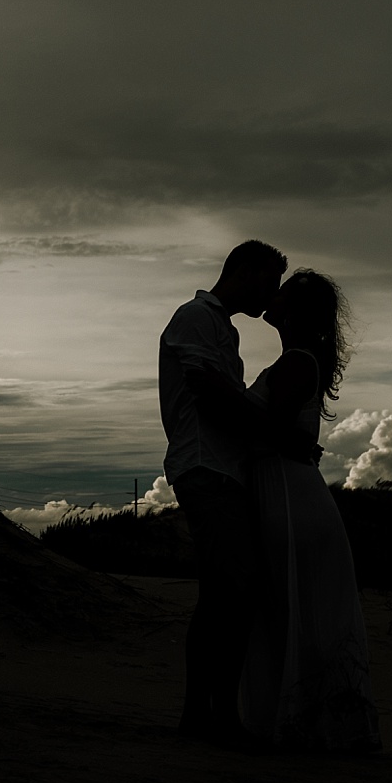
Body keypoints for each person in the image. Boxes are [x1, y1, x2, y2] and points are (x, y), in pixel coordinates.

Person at [241, 269, 381, 752]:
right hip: (283, 485)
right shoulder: (294, 360)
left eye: (280, 293)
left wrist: (218, 393)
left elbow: (266, 429)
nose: (270, 297)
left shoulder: (298, 362)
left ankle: (302, 722)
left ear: (294, 310)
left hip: (286, 491)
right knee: (288, 605)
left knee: (291, 604)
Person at [158, 240, 285, 750]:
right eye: (268, 282)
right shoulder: (196, 316)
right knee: (234, 588)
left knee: (222, 593)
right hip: (205, 466)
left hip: (217, 468)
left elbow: (218, 387)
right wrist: (270, 423)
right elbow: (205, 384)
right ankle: (215, 717)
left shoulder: (222, 327)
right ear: (246, 272)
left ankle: (204, 716)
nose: (270, 295)